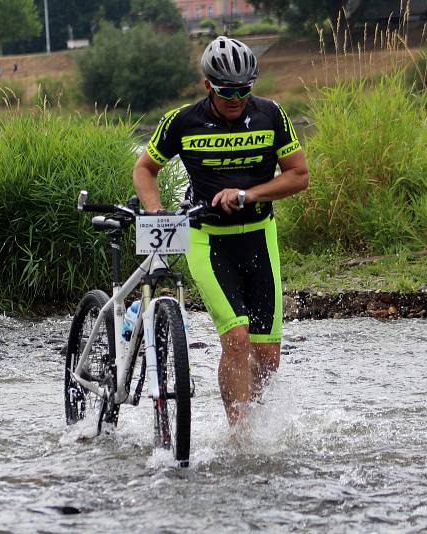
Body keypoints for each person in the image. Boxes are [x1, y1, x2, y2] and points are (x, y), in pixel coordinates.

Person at [132, 36, 310, 425]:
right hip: (207, 239)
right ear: (208, 84)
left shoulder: (271, 116)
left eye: (245, 89)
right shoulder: (182, 121)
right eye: (228, 90)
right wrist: (156, 212)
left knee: (267, 356)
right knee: (236, 339)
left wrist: (249, 194)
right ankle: (239, 431)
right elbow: (145, 169)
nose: (237, 98)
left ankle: (257, 423)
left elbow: (298, 176)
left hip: (260, 236)